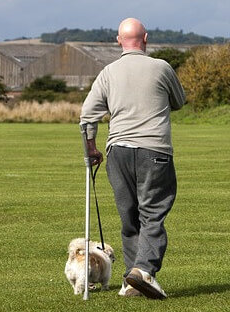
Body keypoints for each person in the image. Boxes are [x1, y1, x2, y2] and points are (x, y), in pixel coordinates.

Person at [80, 17, 186, 299]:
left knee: (129, 218)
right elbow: (179, 101)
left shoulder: (107, 72)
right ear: (146, 39)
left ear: (118, 40)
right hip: (155, 150)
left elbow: (88, 114)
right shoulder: (162, 67)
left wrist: (91, 148)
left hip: (117, 151)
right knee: (152, 214)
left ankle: (132, 280)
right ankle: (143, 271)